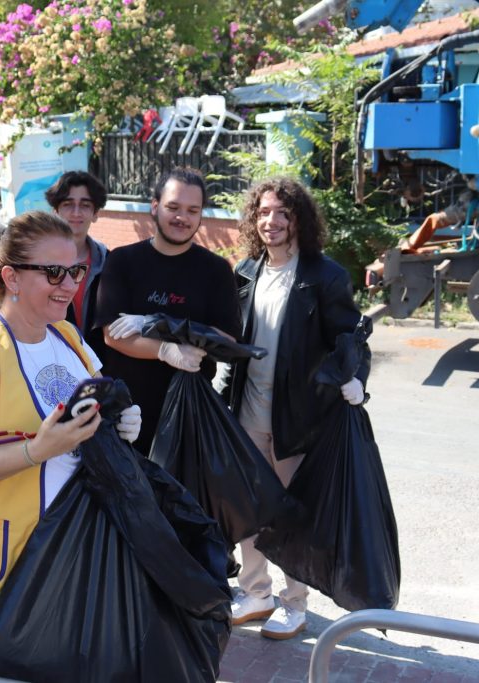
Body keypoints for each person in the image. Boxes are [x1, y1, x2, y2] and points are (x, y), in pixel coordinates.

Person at [0, 211, 142, 635]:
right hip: (4, 565)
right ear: (12, 277)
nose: (70, 285)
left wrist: (122, 419)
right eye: (54, 273)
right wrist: (36, 451)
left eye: (76, 270)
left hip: (71, 550)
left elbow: (99, 404)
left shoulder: (68, 338)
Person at [224, 177, 370, 640]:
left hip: (299, 421)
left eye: (282, 213)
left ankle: (295, 603)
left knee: (292, 515)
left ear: (298, 219)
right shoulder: (246, 271)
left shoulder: (324, 276)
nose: (272, 221)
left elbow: (351, 337)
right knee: (249, 509)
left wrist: (357, 380)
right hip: (247, 413)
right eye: (264, 212)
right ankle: (255, 593)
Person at [94, 167, 241, 454]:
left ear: (200, 215)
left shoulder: (216, 270)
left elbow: (227, 340)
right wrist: (167, 350)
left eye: (192, 210)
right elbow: (113, 335)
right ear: (154, 207)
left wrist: (155, 326)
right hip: (126, 412)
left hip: (189, 411)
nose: (181, 217)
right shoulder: (122, 261)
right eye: (173, 207)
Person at [44, 170, 109, 354]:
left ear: (95, 213)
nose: (76, 212)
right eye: (68, 204)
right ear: (55, 211)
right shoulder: (38, 263)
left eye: (85, 205)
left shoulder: (108, 262)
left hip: (99, 367)